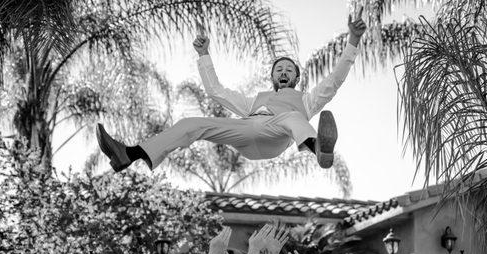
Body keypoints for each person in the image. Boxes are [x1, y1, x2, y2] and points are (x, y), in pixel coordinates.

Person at [95, 8, 367, 172]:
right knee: (191, 123)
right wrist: (203, 55)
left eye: (289, 70)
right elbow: (216, 91)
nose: (283, 72)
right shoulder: (254, 101)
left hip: (278, 138)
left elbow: (334, 79)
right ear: (273, 77)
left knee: (293, 117)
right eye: (279, 69)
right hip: (247, 133)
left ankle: (317, 148)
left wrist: (353, 40)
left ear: (296, 77)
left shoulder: (305, 101)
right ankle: (128, 154)